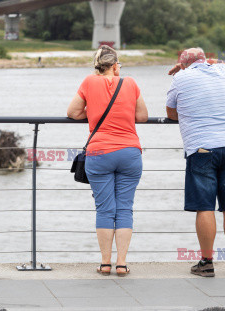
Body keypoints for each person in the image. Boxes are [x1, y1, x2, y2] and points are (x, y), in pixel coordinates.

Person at [166, 47, 225, 277]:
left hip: (202, 148)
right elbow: (217, 61)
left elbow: (171, 113)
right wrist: (196, 63)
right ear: (205, 60)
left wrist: (181, 70)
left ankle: (206, 264)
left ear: (183, 65)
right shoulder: (224, 71)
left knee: (205, 206)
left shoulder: (180, 78)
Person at [67, 45, 148, 276]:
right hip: (130, 153)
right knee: (124, 208)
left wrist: (93, 112)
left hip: (99, 153)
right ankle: (121, 264)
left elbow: (72, 112)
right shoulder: (130, 83)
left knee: (104, 209)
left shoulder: (89, 82)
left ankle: (105, 263)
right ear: (115, 65)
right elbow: (142, 116)